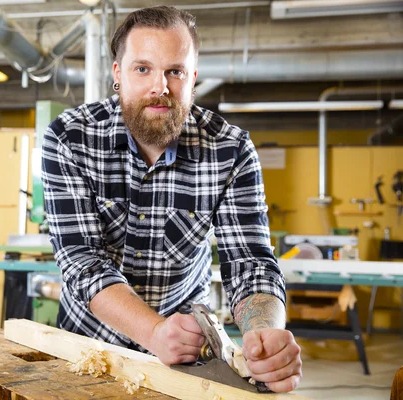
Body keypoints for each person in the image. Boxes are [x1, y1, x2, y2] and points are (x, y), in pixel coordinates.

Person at [41, 5, 302, 393]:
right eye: (142, 68)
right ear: (118, 75)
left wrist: (263, 335)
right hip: (88, 346)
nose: (159, 87)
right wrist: (154, 331)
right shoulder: (69, 138)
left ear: (193, 78)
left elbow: (250, 261)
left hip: (187, 354)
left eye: (175, 71)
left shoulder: (230, 150)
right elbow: (82, 261)